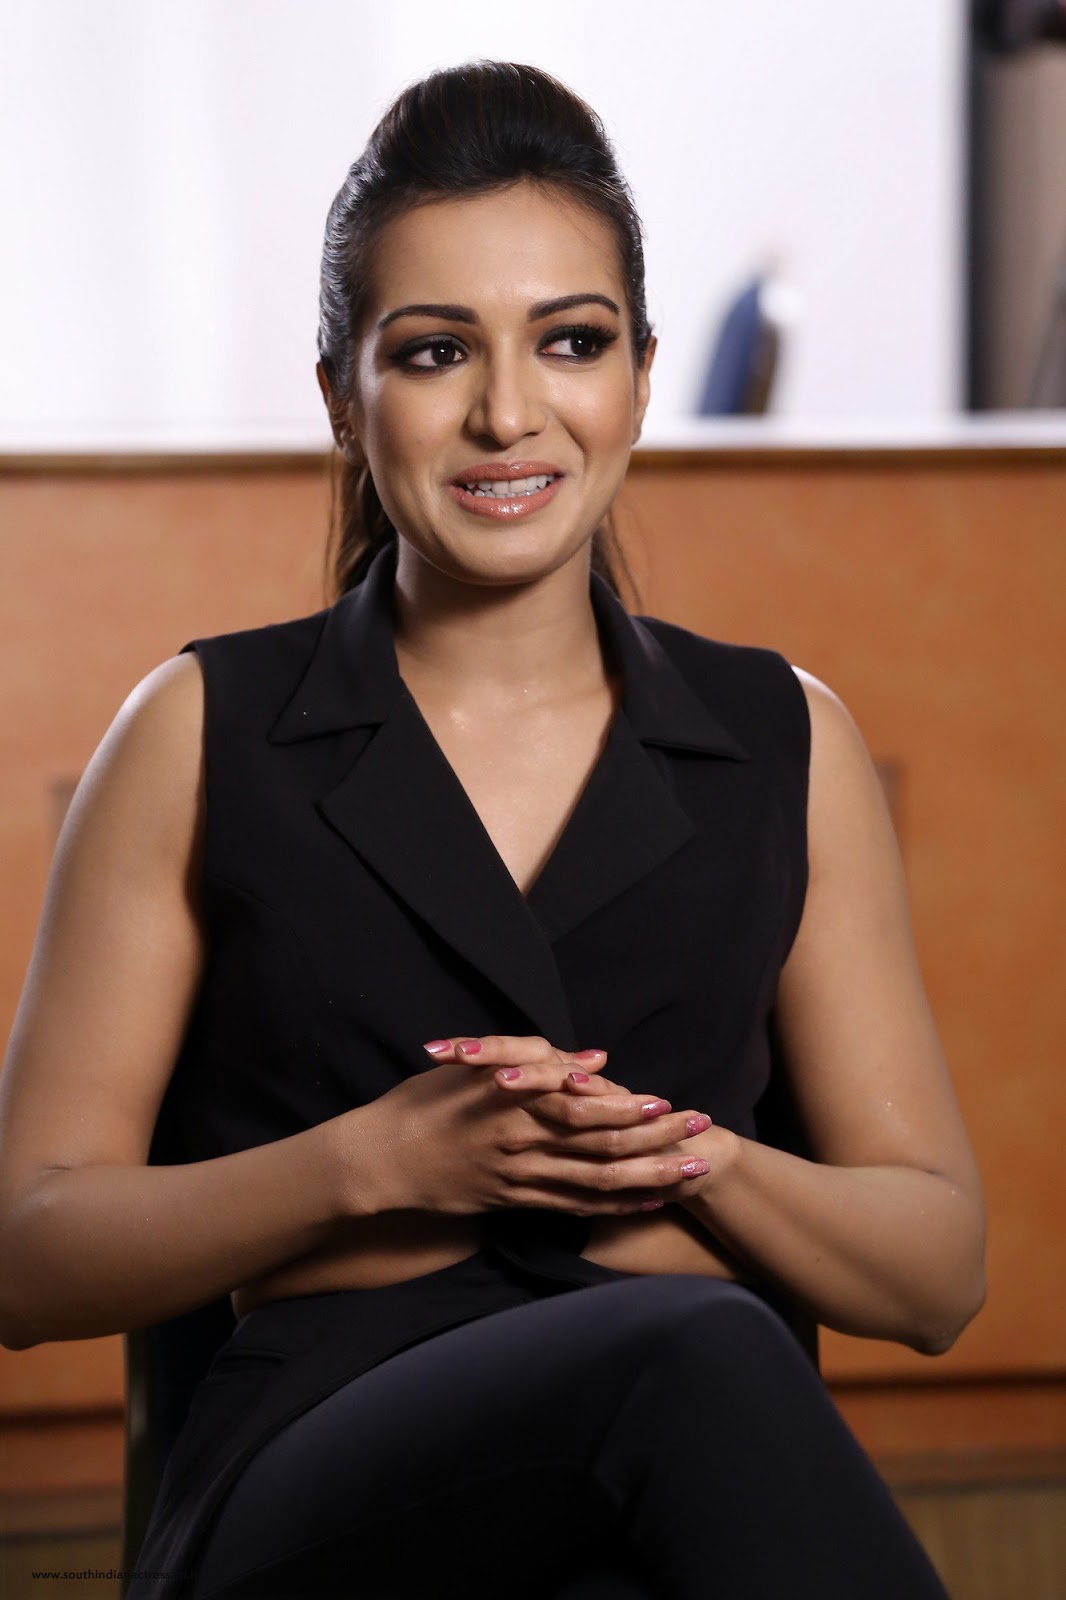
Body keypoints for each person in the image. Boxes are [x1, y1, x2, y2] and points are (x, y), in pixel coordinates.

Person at [0, 58, 984, 1600]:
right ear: (343, 397)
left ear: (640, 378)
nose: (508, 413)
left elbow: (933, 1276)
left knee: (672, 1432)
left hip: (681, 1479)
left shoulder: (780, 739)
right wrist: (381, 1161)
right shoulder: (201, 731)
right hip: (312, 1480)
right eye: (435, 351)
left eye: (570, 342)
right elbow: (27, 1251)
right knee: (696, 1347)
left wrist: (688, 1162)